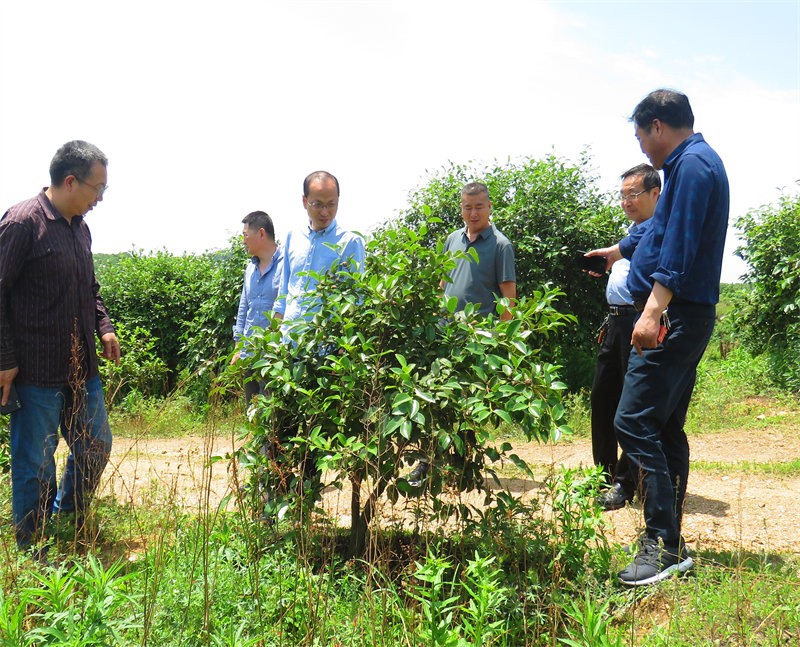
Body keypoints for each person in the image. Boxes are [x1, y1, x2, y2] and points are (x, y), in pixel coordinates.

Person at [590, 89, 729, 586]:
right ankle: (672, 541)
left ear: (657, 126)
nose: (643, 149)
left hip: (677, 313)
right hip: (683, 311)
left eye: (640, 136)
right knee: (664, 425)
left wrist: (652, 311)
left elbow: (681, 245)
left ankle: (663, 544)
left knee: (632, 420)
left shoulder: (692, 167)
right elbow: (660, 232)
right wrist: (620, 249)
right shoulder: (690, 166)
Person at [0, 140, 120, 556]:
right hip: (35, 372)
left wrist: (103, 325)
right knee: (35, 462)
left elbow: (90, 288)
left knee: (96, 444)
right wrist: (5, 360)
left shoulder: (79, 229)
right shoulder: (22, 223)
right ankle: (32, 548)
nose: (100, 198)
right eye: (96, 188)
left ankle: (69, 512)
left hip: (81, 369)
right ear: (71, 181)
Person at [406, 181, 516, 486]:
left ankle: (462, 465)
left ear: (490, 207)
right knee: (435, 401)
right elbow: (442, 286)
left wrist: (503, 342)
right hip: (444, 336)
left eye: (479, 206)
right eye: (467, 207)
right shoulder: (452, 240)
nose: (473, 212)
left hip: (478, 339)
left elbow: (508, 298)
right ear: (461, 209)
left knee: (469, 406)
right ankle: (426, 461)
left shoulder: (501, 245)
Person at [271, 170, 365, 494]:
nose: (325, 212)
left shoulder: (350, 243)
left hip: (324, 357)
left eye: (331, 204)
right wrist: (275, 334)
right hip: (288, 352)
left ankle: (305, 505)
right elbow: (284, 289)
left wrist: (343, 351)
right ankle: (273, 505)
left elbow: (356, 299)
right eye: (317, 204)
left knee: (314, 438)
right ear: (304, 202)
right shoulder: (291, 238)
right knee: (280, 432)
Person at [591, 164, 660, 511]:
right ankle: (601, 477)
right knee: (602, 398)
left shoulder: (660, 232)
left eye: (633, 194)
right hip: (615, 322)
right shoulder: (630, 234)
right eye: (622, 195)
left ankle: (624, 482)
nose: (626, 201)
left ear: (654, 194)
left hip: (641, 320)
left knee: (629, 406)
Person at [230, 210, 283, 404]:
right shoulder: (250, 268)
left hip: (276, 354)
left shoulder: (287, 265)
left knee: (275, 413)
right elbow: (244, 308)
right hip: (250, 353)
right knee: (252, 412)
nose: (243, 241)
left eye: (245, 235)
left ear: (261, 233)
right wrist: (239, 347)